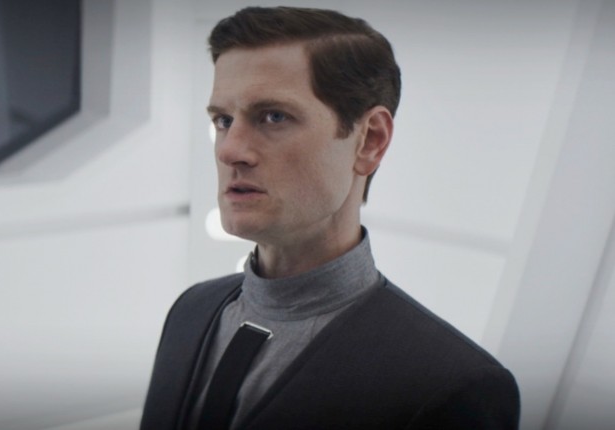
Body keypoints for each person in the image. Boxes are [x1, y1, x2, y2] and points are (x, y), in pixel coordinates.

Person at [140, 6, 520, 430]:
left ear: (370, 140)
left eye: (274, 116)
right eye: (224, 120)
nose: (230, 150)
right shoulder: (191, 311)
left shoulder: (451, 384)